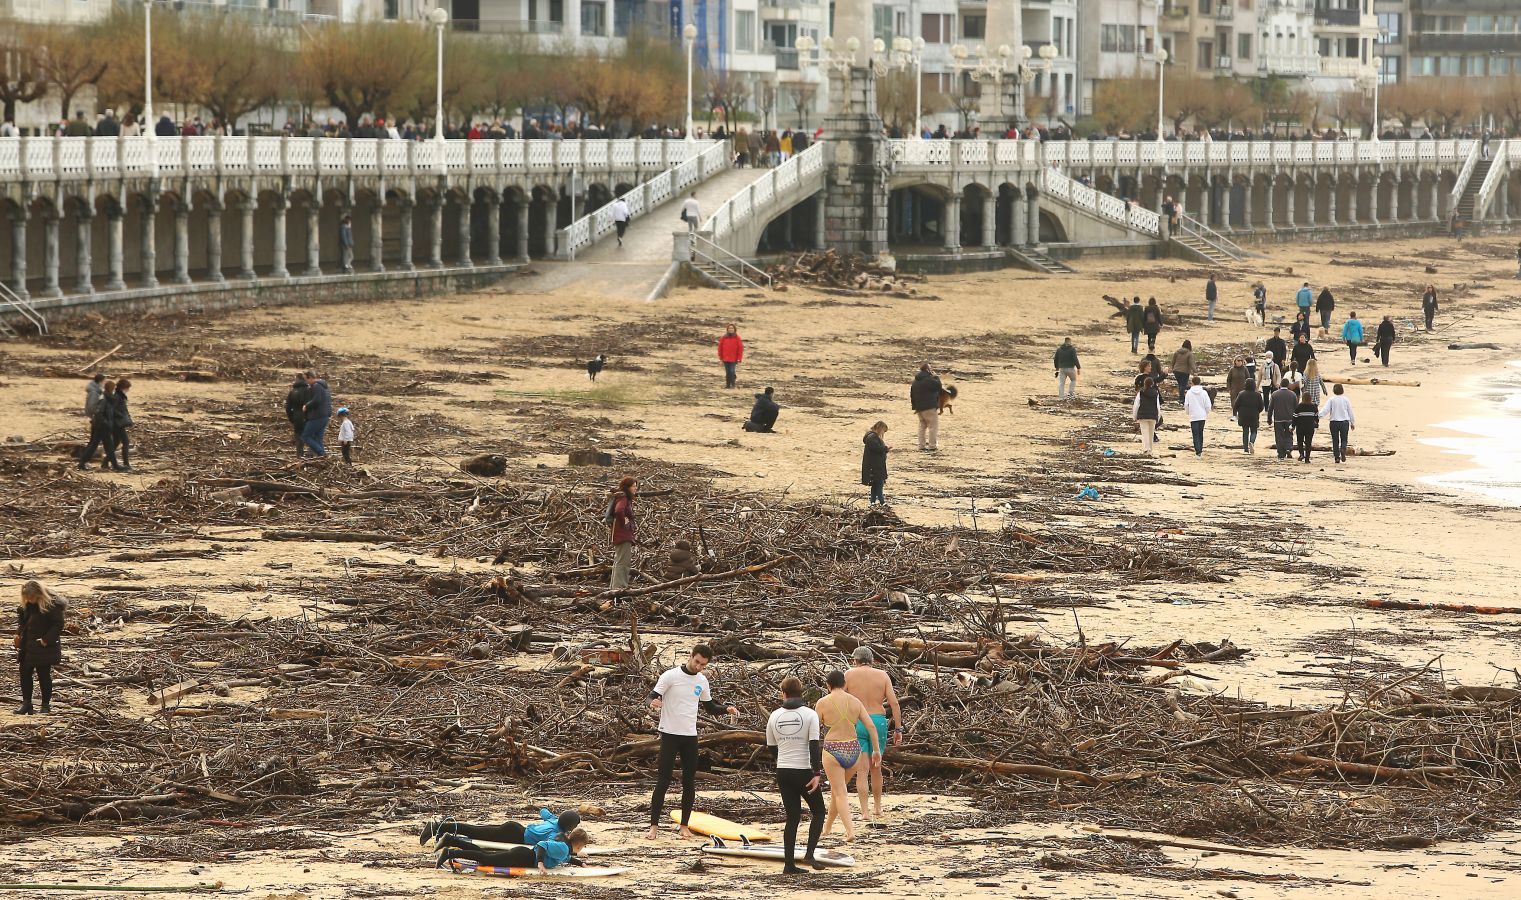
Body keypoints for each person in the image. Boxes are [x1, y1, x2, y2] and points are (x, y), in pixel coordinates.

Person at [646, 646, 739, 840]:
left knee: (689, 782)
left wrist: (726, 709)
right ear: (690, 656)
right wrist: (653, 703)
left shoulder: (701, 680)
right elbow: (651, 696)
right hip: (670, 734)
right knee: (663, 781)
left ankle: (684, 826)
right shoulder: (670, 676)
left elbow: (710, 707)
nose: (698, 667)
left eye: (703, 665)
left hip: (690, 736)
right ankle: (654, 826)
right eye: (697, 662)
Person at [765, 675, 826, 873]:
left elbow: (771, 747)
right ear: (801, 693)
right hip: (804, 772)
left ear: (783, 693)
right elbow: (813, 745)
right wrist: (816, 773)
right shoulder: (810, 715)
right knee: (818, 812)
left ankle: (789, 865)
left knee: (792, 818)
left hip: (783, 771)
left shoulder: (774, 716)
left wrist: (782, 761)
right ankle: (809, 854)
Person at [816, 669, 880, 841]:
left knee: (840, 793)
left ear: (828, 685)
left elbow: (814, 730)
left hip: (832, 749)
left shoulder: (822, 702)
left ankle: (850, 832)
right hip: (853, 749)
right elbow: (871, 726)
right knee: (839, 790)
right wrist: (876, 750)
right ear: (845, 684)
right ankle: (827, 827)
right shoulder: (855, 701)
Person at [844, 646, 902, 823]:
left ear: (855, 660)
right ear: (872, 660)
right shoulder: (882, 675)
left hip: (858, 721)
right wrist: (898, 729)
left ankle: (864, 812)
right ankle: (877, 807)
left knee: (862, 771)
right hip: (878, 722)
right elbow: (894, 703)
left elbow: (839, 698)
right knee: (876, 768)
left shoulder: (848, 674)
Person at [436, 825, 590, 874]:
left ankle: (452, 841)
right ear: (579, 845)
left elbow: (565, 858)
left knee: (485, 855)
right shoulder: (563, 848)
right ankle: (450, 852)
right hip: (522, 858)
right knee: (485, 858)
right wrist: (541, 864)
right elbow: (543, 845)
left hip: (521, 854)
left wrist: (580, 863)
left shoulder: (563, 843)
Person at [422, 807, 583, 850]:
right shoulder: (557, 834)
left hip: (515, 827)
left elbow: (543, 811)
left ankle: (440, 828)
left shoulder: (554, 820)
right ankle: (436, 826)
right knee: (475, 831)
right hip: (513, 836)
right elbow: (548, 846)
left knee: (476, 829)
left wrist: (550, 814)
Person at [15, 581, 65, 715]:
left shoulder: (51, 605)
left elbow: (58, 624)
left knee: (43, 675)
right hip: (28, 645)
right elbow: (22, 621)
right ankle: (27, 704)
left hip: (43, 647)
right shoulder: (26, 606)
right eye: (27, 597)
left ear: (38, 594)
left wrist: (46, 640)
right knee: (24, 673)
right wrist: (19, 635)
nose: (29, 600)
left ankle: (45, 705)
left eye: (31, 597)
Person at [79, 379, 120, 471]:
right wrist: (106, 423)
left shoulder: (106, 397)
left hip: (101, 425)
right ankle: (82, 463)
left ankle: (109, 464)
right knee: (98, 445)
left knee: (105, 445)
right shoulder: (104, 399)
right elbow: (99, 413)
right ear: (111, 389)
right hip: (102, 426)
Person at [607, 477, 636, 590]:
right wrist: (623, 520)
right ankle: (620, 587)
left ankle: (614, 586)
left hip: (619, 533)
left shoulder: (621, 497)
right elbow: (619, 510)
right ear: (627, 487)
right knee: (623, 561)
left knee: (618, 560)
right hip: (622, 534)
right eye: (633, 486)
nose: (635, 489)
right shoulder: (623, 497)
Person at [910, 363, 943, 452]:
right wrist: (936, 377)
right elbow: (939, 387)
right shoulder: (928, 380)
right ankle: (932, 446)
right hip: (929, 407)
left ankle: (921, 445)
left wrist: (915, 407)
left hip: (919, 407)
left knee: (922, 426)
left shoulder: (915, 381)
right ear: (928, 370)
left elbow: (912, 394)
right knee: (933, 426)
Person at [1321, 383, 1356, 464]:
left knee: (1335, 440)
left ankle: (1337, 457)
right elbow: (1350, 411)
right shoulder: (1346, 399)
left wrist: (1318, 415)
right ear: (1342, 390)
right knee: (1344, 438)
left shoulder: (1331, 399)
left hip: (1334, 422)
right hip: (1344, 422)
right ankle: (1343, 448)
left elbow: (1325, 410)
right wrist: (1352, 422)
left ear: (1333, 390)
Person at [300, 369, 331, 456]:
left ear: (310, 378)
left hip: (317, 416)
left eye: (306, 379)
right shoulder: (324, 387)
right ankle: (322, 457)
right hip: (324, 416)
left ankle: (322, 453)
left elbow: (317, 400)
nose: (306, 382)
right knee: (318, 438)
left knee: (305, 436)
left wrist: (307, 406)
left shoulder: (317, 386)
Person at [861, 421, 889, 506]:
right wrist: (886, 448)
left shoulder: (871, 437)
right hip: (875, 467)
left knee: (875, 485)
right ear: (880, 428)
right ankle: (882, 502)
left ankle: (872, 501)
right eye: (884, 431)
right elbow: (877, 448)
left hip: (875, 466)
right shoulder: (872, 437)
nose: (883, 433)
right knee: (879, 484)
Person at [1133, 377, 1162, 456]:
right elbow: (1157, 405)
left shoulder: (1141, 392)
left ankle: (1146, 449)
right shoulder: (1155, 393)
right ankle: (1150, 450)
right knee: (1151, 432)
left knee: (1145, 432)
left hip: (1143, 415)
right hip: (1153, 415)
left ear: (1144, 383)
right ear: (1152, 384)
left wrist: (1135, 416)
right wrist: (1158, 416)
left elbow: (1136, 405)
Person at [284, 373, 312, 458]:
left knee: (298, 436)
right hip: (308, 417)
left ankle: (299, 455)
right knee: (311, 435)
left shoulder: (292, 392)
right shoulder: (309, 390)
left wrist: (291, 418)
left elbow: (288, 408)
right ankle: (310, 454)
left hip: (296, 417)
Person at [1232, 380, 1264, 454]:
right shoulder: (1258, 395)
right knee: (1254, 431)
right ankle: (1252, 442)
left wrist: (1235, 414)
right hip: (1254, 415)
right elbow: (1261, 407)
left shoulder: (1241, 394)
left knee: (1245, 432)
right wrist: (1257, 411)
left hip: (1243, 416)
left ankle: (1246, 450)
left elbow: (1236, 405)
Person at [1269, 382, 1299, 460]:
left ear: (1280, 385)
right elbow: (1296, 408)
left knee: (1279, 436)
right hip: (1289, 418)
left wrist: (1269, 418)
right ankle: (1288, 448)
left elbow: (1270, 407)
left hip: (1278, 419)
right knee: (1289, 434)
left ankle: (1281, 453)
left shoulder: (1275, 394)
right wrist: (1296, 420)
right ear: (1288, 385)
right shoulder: (1292, 394)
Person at [1184, 376, 1212, 457]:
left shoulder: (1189, 393)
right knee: (1200, 433)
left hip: (1193, 416)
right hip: (1202, 415)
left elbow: (1186, 404)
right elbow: (1208, 405)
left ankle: (1198, 451)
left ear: (1192, 383)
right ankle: (1200, 449)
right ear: (1200, 382)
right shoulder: (1204, 393)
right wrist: (1206, 413)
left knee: (1195, 434)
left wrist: (1188, 412)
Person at [111, 378, 134, 473]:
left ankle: (105, 461)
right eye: (127, 388)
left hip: (118, 423)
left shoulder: (120, 396)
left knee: (116, 442)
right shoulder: (117, 397)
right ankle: (126, 463)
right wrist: (121, 416)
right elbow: (113, 409)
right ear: (123, 388)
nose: (128, 390)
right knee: (126, 442)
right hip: (117, 424)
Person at [81, 373, 105, 465]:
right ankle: (84, 461)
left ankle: (84, 460)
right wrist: (97, 413)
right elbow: (91, 407)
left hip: (95, 419)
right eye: (104, 381)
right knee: (94, 442)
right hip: (96, 420)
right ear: (100, 381)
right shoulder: (94, 393)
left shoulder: (95, 391)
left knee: (93, 441)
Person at [1293, 390, 1319, 463]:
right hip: (1310, 427)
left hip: (1300, 427)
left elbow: (1295, 417)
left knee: (1300, 441)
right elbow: (1316, 417)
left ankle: (1301, 454)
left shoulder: (1299, 406)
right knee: (1308, 442)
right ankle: (1307, 459)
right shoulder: (1313, 406)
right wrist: (1316, 423)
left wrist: (1293, 426)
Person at [718, 324, 744, 389]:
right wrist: (721, 359)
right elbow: (720, 348)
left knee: (732, 371)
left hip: (734, 359)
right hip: (725, 358)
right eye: (729, 328)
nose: (731, 329)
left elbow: (740, 349)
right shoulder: (723, 338)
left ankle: (733, 384)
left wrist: (739, 358)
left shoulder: (737, 338)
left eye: (732, 328)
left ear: (734, 330)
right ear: (727, 329)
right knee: (727, 372)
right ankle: (727, 385)